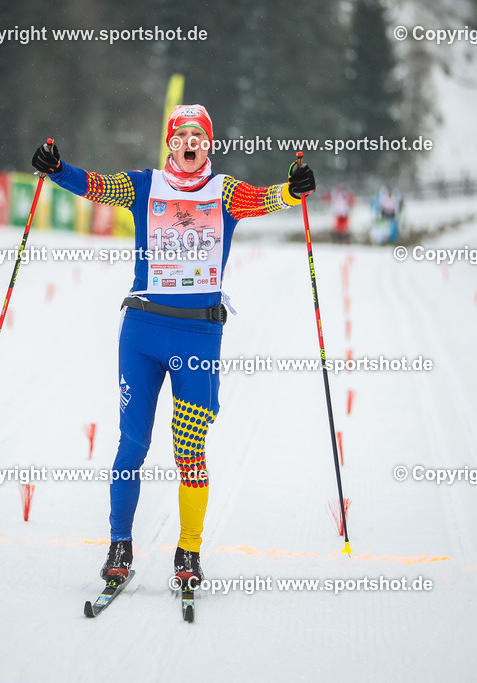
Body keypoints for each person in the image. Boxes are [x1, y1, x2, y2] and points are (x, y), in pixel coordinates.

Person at [31, 105, 315, 586]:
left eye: (197, 136)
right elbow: (97, 186)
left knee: (190, 451)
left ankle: (189, 551)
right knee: (133, 444)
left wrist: (294, 187)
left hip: (198, 337)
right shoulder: (145, 186)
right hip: (143, 332)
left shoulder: (225, 192)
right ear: (170, 144)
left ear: (208, 144)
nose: (188, 143)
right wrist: (58, 170)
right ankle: (120, 544)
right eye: (180, 136)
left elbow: (267, 199)